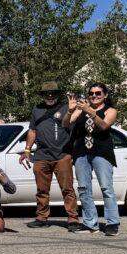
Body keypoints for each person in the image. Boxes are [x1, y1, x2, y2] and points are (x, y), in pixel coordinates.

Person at [19, 81, 79, 231]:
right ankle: (41, 217)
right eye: (47, 93)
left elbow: (71, 122)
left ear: (58, 94)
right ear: (42, 95)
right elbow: (32, 131)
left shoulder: (66, 107)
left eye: (53, 93)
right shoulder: (37, 110)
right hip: (41, 155)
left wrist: (74, 109)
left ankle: (73, 219)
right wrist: (27, 150)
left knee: (67, 189)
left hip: (62, 155)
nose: (50, 96)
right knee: (42, 190)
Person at [64, 83, 120, 236]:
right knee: (83, 188)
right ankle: (90, 223)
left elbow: (103, 126)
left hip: (101, 152)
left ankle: (112, 222)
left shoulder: (110, 110)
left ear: (105, 95)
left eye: (98, 93)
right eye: (91, 93)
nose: (94, 96)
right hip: (81, 152)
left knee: (106, 188)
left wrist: (91, 112)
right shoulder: (81, 110)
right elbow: (66, 124)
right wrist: (70, 111)